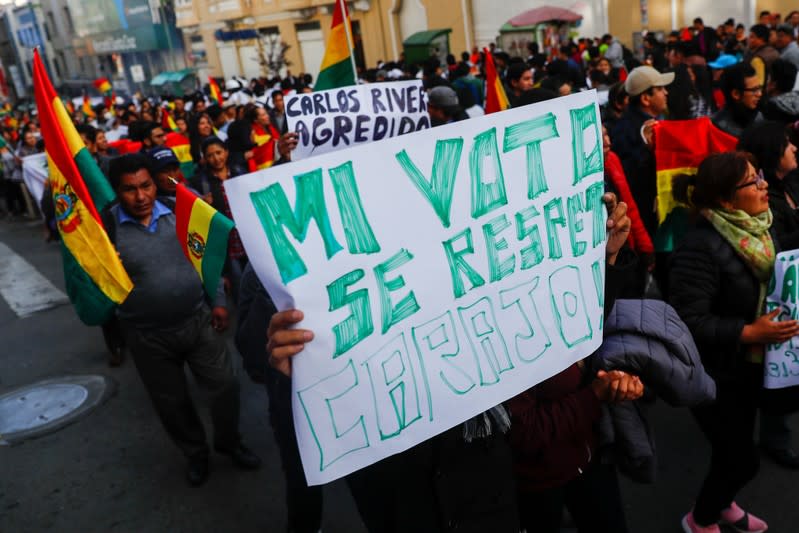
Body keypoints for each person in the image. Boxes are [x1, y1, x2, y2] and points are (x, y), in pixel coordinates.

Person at [104, 153, 261, 486]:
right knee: (171, 403)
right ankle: (196, 453)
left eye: (145, 185)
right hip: (146, 336)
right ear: (116, 191)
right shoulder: (104, 230)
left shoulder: (181, 211)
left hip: (197, 320)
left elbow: (206, 258)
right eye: (130, 189)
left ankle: (229, 442)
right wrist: (103, 264)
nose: (141, 196)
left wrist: (217, 300)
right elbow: (93, 285)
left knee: (225, 386)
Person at [669, 151, 799, 533]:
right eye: (753, 181)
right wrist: (749, 332)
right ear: (726, 199)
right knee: (743, 460)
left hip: (747, 370)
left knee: (732, 449)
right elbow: (687, 320)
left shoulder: (760, 226)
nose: (763, 184)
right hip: (712, 375)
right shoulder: (699, 247)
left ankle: (721, 502)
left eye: (760, 175)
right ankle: (700, 519)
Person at [737, 122, 799, 469]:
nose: (794, 148)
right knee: (777, 373)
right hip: (772, 302)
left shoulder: (789, 184)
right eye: (787, 145)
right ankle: (773, 436)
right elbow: (772, 249)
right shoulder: (765, 199)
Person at [610, 65, 674, 239]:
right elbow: (629, 176)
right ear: (646, 98)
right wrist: (645, 146)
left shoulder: (650, 123)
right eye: (660, 89)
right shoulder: (627, 131)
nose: (666, 93)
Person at [192, 137, 248, 300]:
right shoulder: (200, 182)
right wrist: (202, 206)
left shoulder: (240, 172)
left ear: (226, 152)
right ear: (204, 158)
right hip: (227, 246)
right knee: (239, 290)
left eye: (219, 152)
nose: (216, 158)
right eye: (210, 155)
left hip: (248, 239)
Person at [712, 62, 763, 138]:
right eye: (754, 90)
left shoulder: (758, 117)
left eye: (759, 88)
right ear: (736, 94)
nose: (759, 94)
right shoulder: (717, 128)